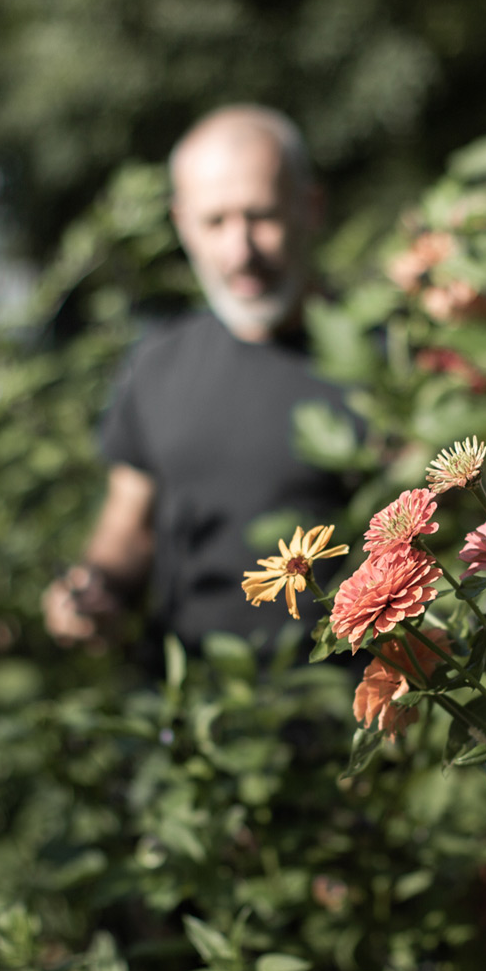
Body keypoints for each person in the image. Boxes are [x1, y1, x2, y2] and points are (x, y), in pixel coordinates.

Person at [42, 105, 354, 660]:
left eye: (261, 216)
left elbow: (449, 538)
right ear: (182, 223)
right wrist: (95, 588)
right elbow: (130, 524)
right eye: (215, 222)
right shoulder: (158, 362)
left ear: (311, 208)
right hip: (194, 718)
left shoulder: (384, 357)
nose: (241, 251)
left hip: (357, 720)